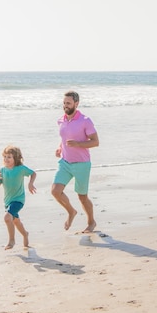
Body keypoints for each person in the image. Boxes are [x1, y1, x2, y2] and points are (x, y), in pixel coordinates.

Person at [51, 90, 99, 233]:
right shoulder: (61, 120)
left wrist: (78, 144)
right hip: (65, 162)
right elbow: (64, 138)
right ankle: (71, 212)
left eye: (68, 103)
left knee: (82, 197)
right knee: (55, 191)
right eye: (64, 103)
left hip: (82, 164)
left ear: (76, 104)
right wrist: (60, 148)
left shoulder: (85, 121)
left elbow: (96, 142)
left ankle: (91, 222)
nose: (65, 106)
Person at [0, 145, 37, 250]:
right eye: (5, 157)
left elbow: (33, 173)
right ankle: (25, 234)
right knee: (15, 221)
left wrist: (30, 184)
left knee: (7, 218)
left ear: (15, 158)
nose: (6, 159)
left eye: (9, 157)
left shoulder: (20, 169)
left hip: (18, 200)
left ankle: (11, 240)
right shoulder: (2, 170)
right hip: (8, 201)